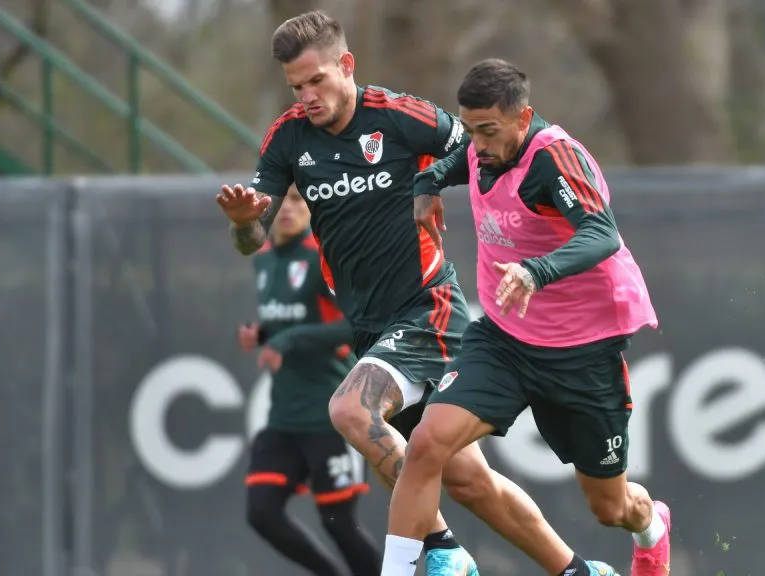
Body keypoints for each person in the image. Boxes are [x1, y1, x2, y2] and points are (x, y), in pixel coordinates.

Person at [216, 11, 617, 576]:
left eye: (317, 81)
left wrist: (434, 182)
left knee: (351, 411)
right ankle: (577, 570)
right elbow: (252, 235)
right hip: (369, 326)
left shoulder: (399, 116)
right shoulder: (288, 138)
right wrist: (241, 223)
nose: (307, 96)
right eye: (297, 86)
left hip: (429, 306)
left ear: (346, 65)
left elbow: (489, 144)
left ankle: (442, 550)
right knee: (467, 479)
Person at [385, 58, 672, 576]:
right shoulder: (480, 147)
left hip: (580, 355)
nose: (477, 144)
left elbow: (602, 234)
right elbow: (454, 164)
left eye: (488, 131)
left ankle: (652, 527)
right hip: (503, 341)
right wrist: (425, 185)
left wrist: (538, 271)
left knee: (610, 508)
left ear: (524, 117)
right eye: (469, 130)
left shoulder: (554, 160)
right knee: (427, 442)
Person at [239, 184, 380, 576]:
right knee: (261, 512)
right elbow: (291, 320)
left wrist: (287, 338)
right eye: (280, 201)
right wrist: (263, 334)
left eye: (299, 200)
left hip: (329, 414)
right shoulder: (264, 259)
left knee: (339, 523)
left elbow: (357, 327)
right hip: (284, 416)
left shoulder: (324, 257)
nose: (288, 209)